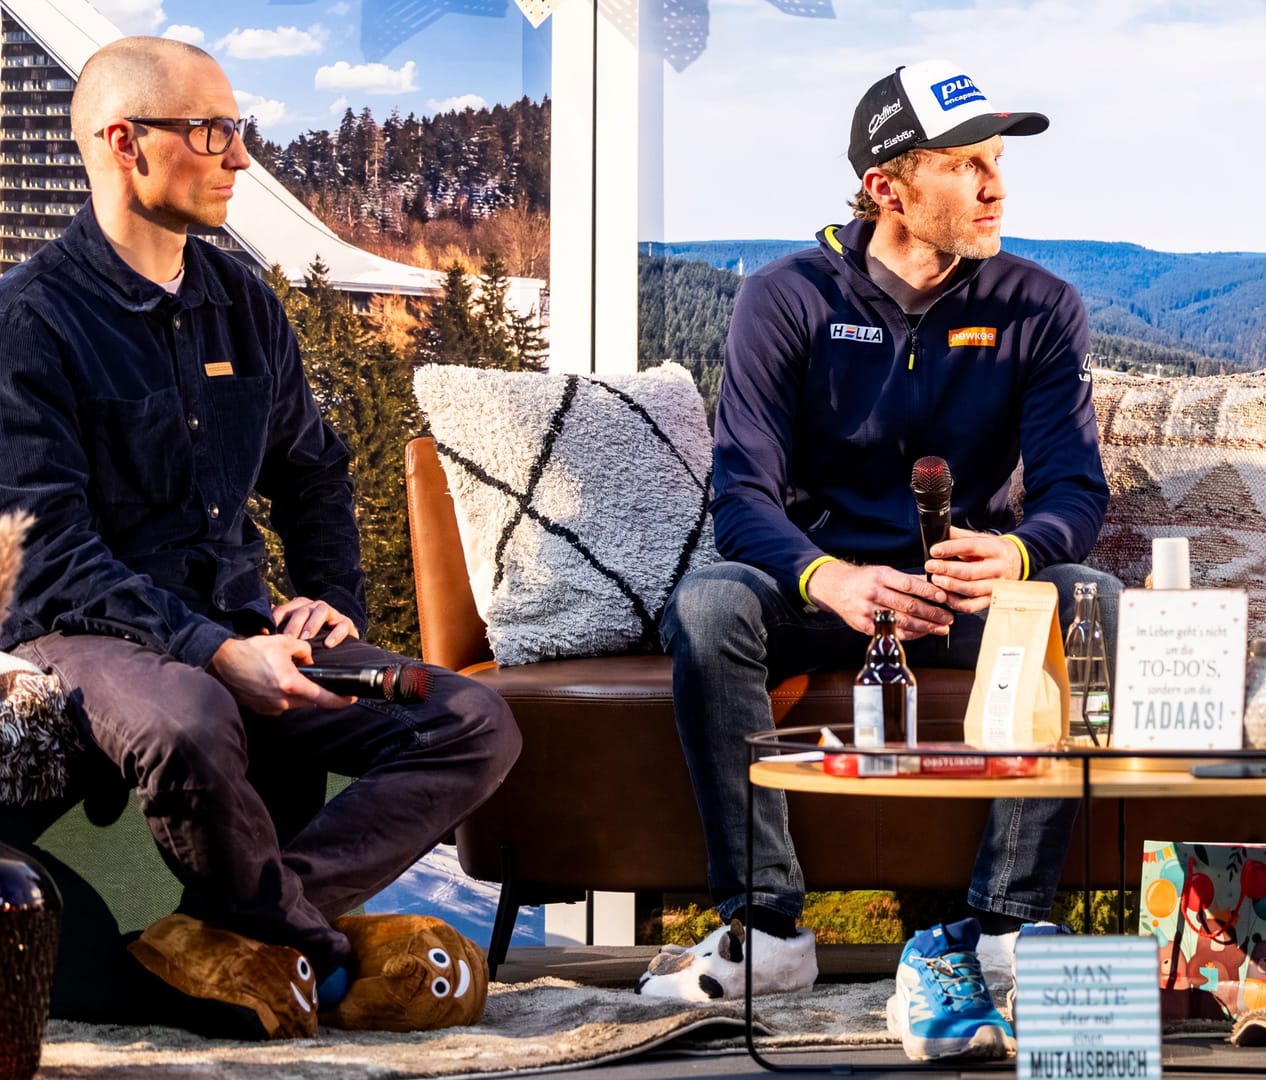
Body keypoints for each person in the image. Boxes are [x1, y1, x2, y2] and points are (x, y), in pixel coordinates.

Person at [0, 37, 520, 1022]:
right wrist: (214, 651)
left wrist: (333, 600)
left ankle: (217, 932)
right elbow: (54, 559)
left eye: (240, 131)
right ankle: (316, 944)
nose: (241, 157)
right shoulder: (29, 323)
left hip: (242, 623)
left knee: (470, 720)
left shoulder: (244, 303)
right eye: (213, 132)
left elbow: (314, 467)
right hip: (86, 640)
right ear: (126, 143)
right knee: (186, 721)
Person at [647, 59, 1116, 1061]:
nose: (996, 188)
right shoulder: (787, 298)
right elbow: (740, 497)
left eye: (997, 164)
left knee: (1091, 597)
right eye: (966, 167)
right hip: (825, 591)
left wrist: (1021, 554)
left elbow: (1079, 492)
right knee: (707, 609)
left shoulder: (1039, 305)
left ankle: (1004, 928)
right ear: (886, 189)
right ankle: (766, 930)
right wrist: (830, 577)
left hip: (968, 595)